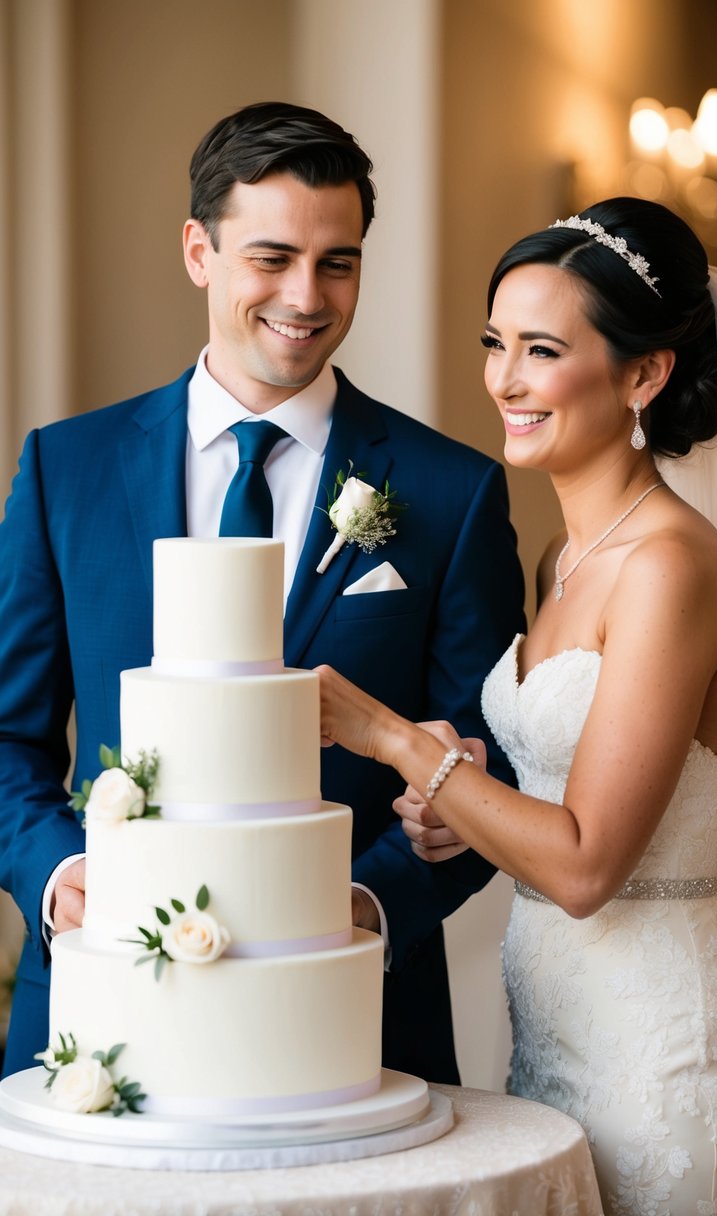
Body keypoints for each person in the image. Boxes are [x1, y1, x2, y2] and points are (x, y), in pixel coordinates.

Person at [317, 197, 717, 1212]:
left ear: (644, 374)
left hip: (663, 1056)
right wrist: (452, 805)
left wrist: (393, 741)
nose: (504, 378)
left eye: (541, 350)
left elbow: (588, 862)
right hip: (554, 1034)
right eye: (494, 342)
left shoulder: (670, 567)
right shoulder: (566, 557)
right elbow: (555, 792)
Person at [0, 101, 525, 1082]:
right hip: (96, 1015)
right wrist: (65, 876)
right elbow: (6, 734)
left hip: (359, 1023)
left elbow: (488, 772)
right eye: (271, 257)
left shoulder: (450, 494)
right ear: (199, 249)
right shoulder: (64, 469)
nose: (306, 293)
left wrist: (360, 914)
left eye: (339, 261)